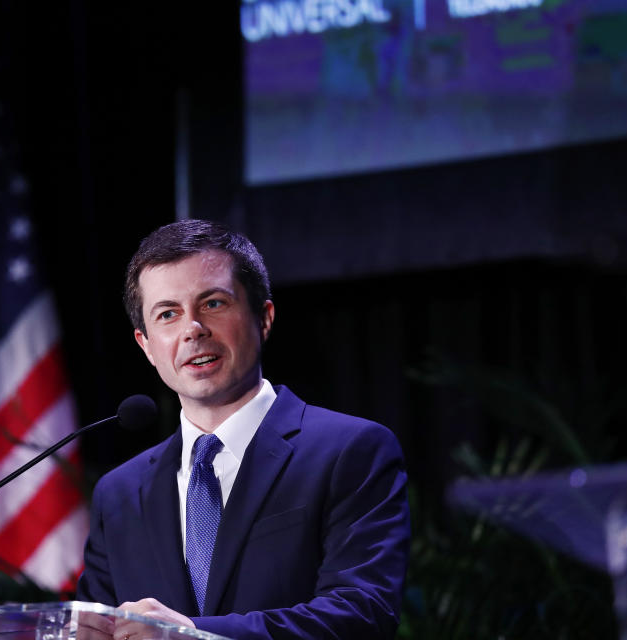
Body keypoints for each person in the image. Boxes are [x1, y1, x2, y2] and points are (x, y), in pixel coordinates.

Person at [77, 220, 409, 639]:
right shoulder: (119, 494)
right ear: (146, 345)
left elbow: (362, 612)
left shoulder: (349, 451)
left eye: (213, 304)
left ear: (264, 317)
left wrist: (194, 636)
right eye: (168, 314)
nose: (192, 329)